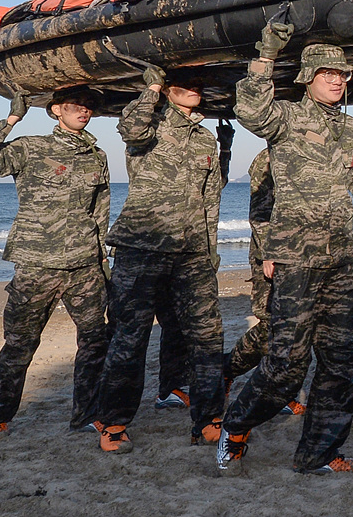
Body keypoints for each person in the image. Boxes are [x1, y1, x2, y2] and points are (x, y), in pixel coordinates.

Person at [217, 21, 353, 475]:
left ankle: (319, 452)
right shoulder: (285, 117)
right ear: (308, 77)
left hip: (340, 257)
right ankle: (237, 425)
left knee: (339, 363)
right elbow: (250, 110)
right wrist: (264, 56)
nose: (338, 81)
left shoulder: (350, 131)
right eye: (328, 74)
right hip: (296, 256)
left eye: (343, 75)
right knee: (286, 364)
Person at [93, 68, 227, 452]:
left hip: (192, 251)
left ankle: (208, 419)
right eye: (183, 84)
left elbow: (210, 198)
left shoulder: (204, 138)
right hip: (142, 245)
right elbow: (130, 129)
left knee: (207, 337)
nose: (194, 89)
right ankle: (114, 422)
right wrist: (151, 88)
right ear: (167, 90)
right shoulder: (148, 124)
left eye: (199, 84)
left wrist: (211, 245)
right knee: (130, 339)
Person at [0, 88, 110, 440]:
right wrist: (11, 119)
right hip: (36, 265)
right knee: (20, 344)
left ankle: (86, 415)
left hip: (83, 267)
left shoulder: (97, 154)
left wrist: (101, 258)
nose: (84, 112)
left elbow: (100, 211)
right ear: (56, 110)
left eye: (89, 107)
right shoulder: (30, 147)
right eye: (76, 106)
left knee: (95, 342)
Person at [154, 120, 235, 411]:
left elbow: (216, 183)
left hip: (190, 253)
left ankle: (173, 387)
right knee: (168, 325)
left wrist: (224, 148)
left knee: (183, 326)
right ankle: (168, 389)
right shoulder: (154, 159)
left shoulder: (198, 163)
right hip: (157, 253)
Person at [221, 147, 305, 416]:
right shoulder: (269, 156)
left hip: (305, 254)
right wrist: (270, 253)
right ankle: (227, 370)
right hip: (273, 256)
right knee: (272, 325)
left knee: (296, 327)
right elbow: (260, 212)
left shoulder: (311, 150)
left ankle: (279, 390)